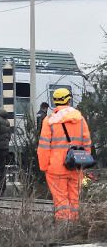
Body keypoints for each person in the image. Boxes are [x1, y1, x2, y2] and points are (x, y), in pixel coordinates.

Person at [38, 88, 91, 222]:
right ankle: (74, 224)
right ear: (69, 99)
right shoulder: (80, 118)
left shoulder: (49, 121)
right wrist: (82, 163)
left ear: (54, 101)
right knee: (74, 198)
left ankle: (63, 227)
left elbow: (44, 147)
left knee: (61, 200)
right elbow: (87, 143)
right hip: (75, 166)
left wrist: (44, 166)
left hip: (56, 168)